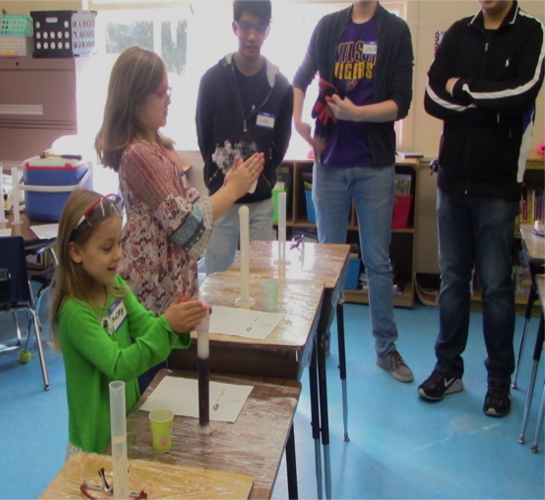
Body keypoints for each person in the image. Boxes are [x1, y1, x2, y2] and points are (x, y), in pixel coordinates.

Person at [95, 46, 263, 390]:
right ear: (135, 98)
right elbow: (188, 227)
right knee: (145, 389)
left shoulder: (159, 149)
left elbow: (193, 206)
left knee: (165, 388)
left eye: (167, 91)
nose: (167, 100)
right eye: (161, 93)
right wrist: (233, 189)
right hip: (148, 298)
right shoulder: (138, 155)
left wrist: (231, 185)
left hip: (166, 294)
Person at [420, 0, 544, 417]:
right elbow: (432, 98)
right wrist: (486, 105)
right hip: (453, 180)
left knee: (495, 288)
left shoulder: (531, 32)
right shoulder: (458, 32)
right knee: (453, 282)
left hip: (497, 185)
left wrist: (464, 88)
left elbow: (521, 94)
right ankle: (448, 369)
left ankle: (497, 383)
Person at [291, 0, 414, 382]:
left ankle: (386, 348)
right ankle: (321, 337)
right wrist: (298, 123)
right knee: (327, 262)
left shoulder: (395, 31)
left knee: (377, 260)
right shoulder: (329, 26)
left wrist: (355, 113)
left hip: (374, 164)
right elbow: (300, 78)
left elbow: (401, 104)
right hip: (329, 165)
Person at [50, 187, 210, 457]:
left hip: (124, 430)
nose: (118, 254)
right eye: (106, 247)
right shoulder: (75, 312)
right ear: (76, 252)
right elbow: (119, 365)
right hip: (94, 448)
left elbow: (147, 325)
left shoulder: (114, 286)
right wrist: (167, 327)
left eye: (119, 243)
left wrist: (178, 323)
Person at [196, 0, 294, 276]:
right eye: (246, 27)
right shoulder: (213, 81)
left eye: (259, 28)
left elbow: (281, 143)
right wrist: (219, 180)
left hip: (261, 202)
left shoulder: (280, 87)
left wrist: (261, 176)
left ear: (267, 31)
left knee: (261, 280)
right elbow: (204, 137)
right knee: (217, 281)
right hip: (221, 202)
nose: (252, 36)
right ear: (235, 27)